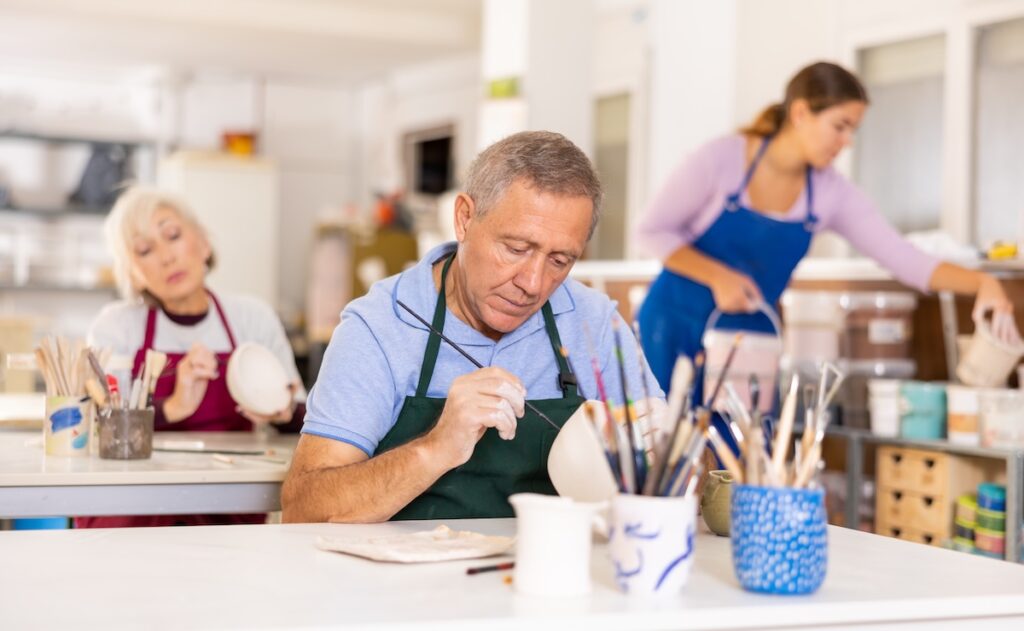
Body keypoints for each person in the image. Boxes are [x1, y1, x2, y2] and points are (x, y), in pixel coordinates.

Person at [282, 131, 660, 523]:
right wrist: (436, 448)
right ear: (464, 218)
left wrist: (661, 457)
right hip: (402, 580)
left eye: (560, 260)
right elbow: (303, 510)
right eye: (516, 249)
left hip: (547, 573)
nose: (533, 283)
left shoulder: (592, 323)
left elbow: (677, 482)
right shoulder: (380, 326)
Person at [635, 61, 1015, 397]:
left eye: (853, 130)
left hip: (749, 339)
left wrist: (984, 284)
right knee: (663, 457)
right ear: (800, 112)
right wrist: (719, 276)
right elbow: (650, 232)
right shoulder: (722, 159)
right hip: (673, 327)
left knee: (741, 459)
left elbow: (905, 259)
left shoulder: (831, 194)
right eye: (840, 126)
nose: (847, 142)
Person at [77, 186, 305, 528]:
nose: (166, 257)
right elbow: (97, 430)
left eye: (173, 235)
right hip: (133, 501)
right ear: (133, 275)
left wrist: (282, 411)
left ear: (204, 243)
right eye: (144, 250)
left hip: (228, 502)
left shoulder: (251, 318)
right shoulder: (116, 328)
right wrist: (172, 407)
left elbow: (306, 422)